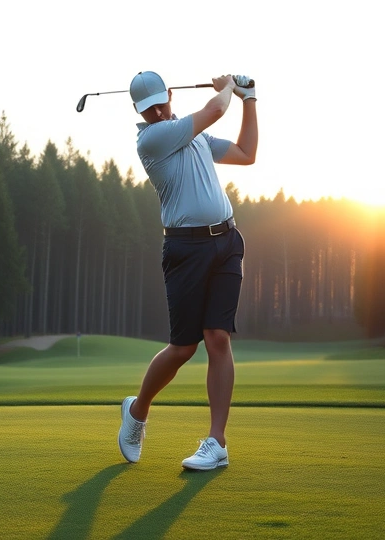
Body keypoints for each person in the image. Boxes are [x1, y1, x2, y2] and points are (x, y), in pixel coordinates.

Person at [118, 71, 258, 471]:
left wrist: (250, 100)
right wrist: (228, 87)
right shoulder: (153, 138)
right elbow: (215, 109)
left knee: (217, 337)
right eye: (150, 108)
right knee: (183, 348)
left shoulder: (192, 135)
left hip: (227, 242)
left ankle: (217, 442)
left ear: (170, 95)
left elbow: (247, 153)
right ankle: (138, 411)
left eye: (162, 102)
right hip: (185, 249)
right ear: (140, 112)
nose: (159, 111)